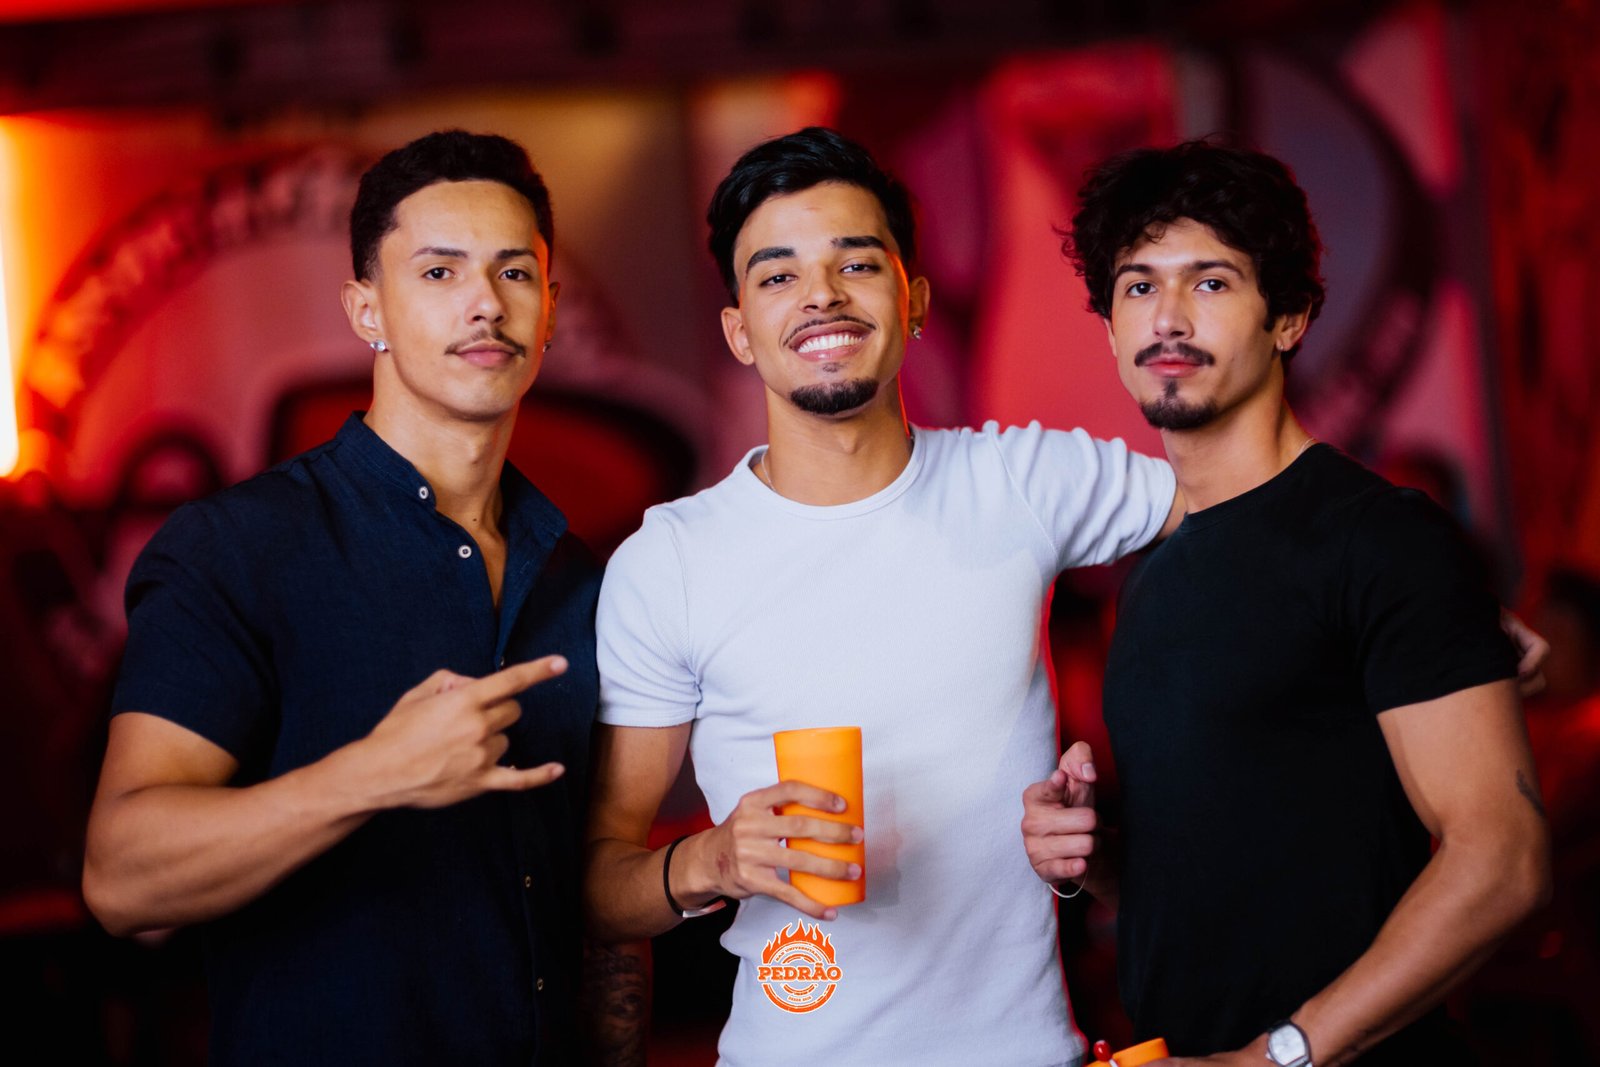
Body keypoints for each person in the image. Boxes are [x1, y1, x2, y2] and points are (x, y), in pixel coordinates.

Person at [583, 126, 1182, 1067]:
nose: (821, 293)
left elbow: (1246, 507)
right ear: (739, 331)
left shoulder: (1020, 481)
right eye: (778, 275)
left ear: (915, 302)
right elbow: (598, 882)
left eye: (856, 263)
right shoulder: (672, 559)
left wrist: (1431, 602)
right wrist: (713, 859)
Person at [1020, 140, 1552, 1066]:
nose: (1168, 317)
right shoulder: (1151, 577)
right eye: (1138, 287)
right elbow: (1237, 886)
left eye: (1211, 282)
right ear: (1109, 329)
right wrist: (1095, 854)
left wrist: (1279, 1056)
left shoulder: (1377, 537)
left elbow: (1504, 859)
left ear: (1290, 317)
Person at [83, 130, 605, 1065]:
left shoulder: (578, 574)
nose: (486, 303)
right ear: (368, 310)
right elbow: (122, 878)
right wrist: (374, 773)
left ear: (550, 310)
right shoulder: (238, 549)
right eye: (439, 272)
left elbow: (592, 895)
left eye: (515, 273)